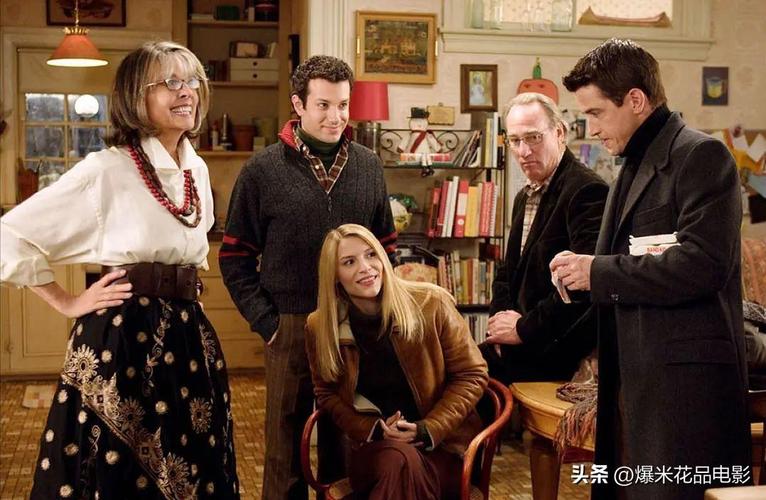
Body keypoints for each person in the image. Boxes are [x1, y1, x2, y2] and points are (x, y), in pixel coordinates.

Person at [1, 41, 240, 499]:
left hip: (188, 336)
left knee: (190, 464)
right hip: (124, 339)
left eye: (192, 80)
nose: (186, 91)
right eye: (170, 82)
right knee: (118, 473)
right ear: (136, 96)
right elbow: (8, 234)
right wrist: (68, 301)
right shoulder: (106, 170)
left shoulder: (196, 170)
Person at [551, 38, 751, 499]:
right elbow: (626, 262)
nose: (590, 128)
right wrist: (579, 275)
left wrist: (598, 273)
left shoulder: (702, 156)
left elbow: (704, 264)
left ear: (636, 100)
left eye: (597, 113)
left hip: (683, 396)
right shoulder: (630, 162)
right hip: (632, 384)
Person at [219, 55, 397, 499]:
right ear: (298, 104)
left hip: (353, 325)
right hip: (290, 325)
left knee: (351, 440)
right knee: (285, 445)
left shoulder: (369, 166)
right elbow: (235, 257)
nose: (335, 117)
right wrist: (269, 323)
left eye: (343, 105)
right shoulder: (261, 171)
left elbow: (385, 248)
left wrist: (375, 313)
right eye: (323, 105)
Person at [305, 224, 489, 499]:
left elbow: (472, 375)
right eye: (349, 262)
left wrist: (428, 429)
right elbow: (326, 393)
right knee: (397, 459)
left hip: (442, 447)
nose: (365, 267)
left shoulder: (432, 303)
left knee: (400, 465)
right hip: (375, 451)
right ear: (334, 275)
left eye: (371, 255)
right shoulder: (320, 326)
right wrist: (373, 429)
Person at [481, 92, 608, 384]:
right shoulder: (524, 195)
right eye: (515, 140)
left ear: (559, 133)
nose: (523, 151)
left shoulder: (587, 191)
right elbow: (507, 273)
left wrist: (521, 330)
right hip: (515, 344)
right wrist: (500, 330)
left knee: (458, 379)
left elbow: (583, 291)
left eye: (533, 138)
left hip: (554, 350)